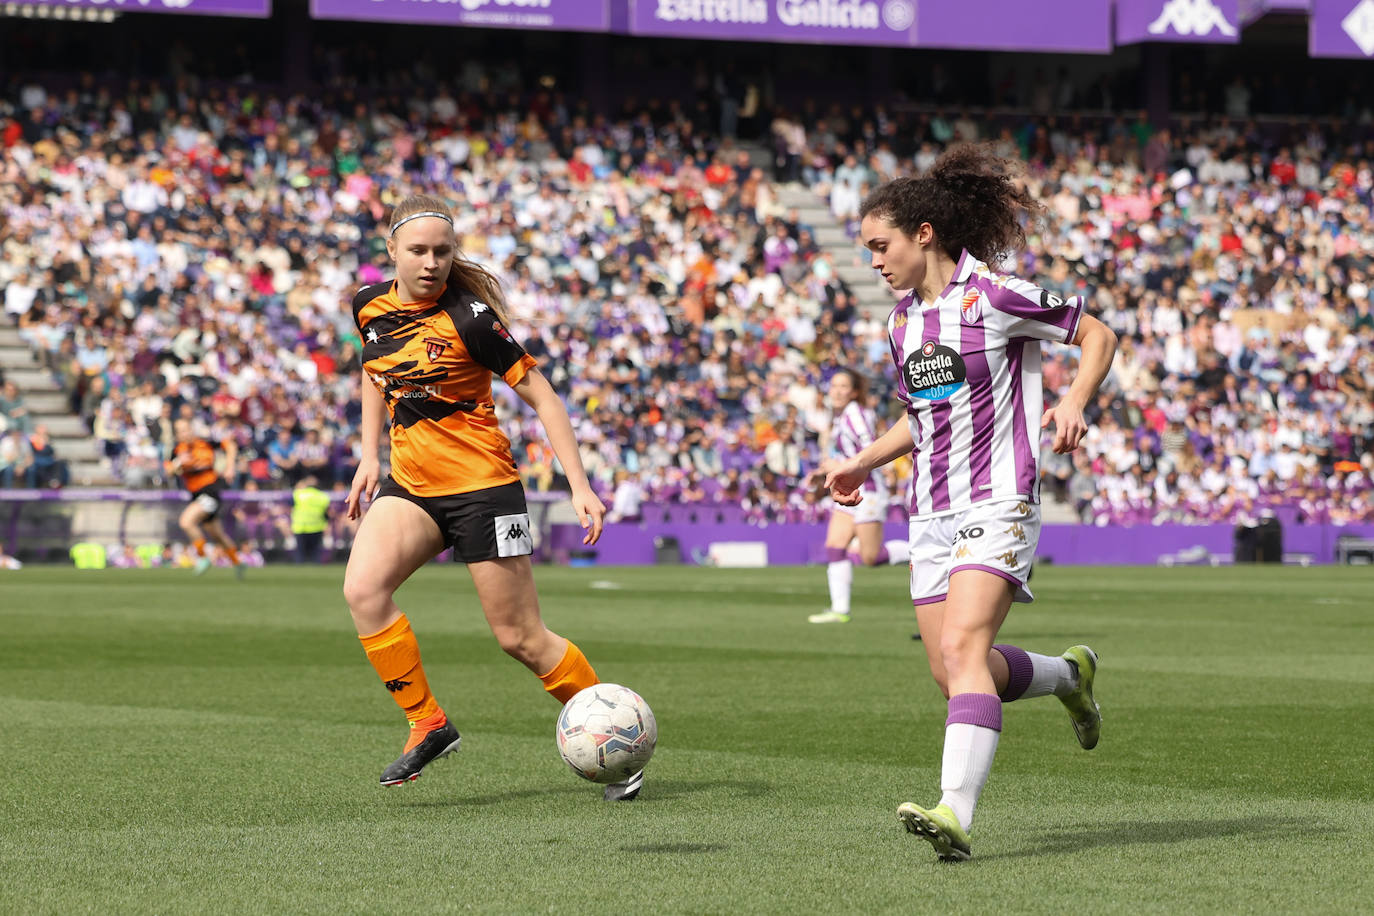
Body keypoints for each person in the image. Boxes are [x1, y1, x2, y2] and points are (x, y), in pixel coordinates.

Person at [826, 145, 1118, 861]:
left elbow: (1098, 334)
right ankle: (1066, 675)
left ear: (924, 232)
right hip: (930, 510)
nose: (874, 262)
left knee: (962, 650)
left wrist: (1075, 398)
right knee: (956, 669)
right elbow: (921, 416)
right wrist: (861, 461)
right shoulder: (901, 325)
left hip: (999, 497)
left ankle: (954, 814)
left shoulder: (994, 296)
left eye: (880, 246)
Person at [342, 195, 639, 800]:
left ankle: (618, 742)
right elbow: (376, 371)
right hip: (413, 486)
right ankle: (428, 722)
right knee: (363, 591)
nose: (431, 263)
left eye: (443, 252)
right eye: (418, 251)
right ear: (391, 251)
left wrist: (579, 485)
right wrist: (368, 454)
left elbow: (545, 398)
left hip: (482, 489)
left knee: (520, 639)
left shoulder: (472, 320)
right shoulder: (367, 306)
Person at [806, 368, 907, 624]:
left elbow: (869, 447)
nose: (837, 391)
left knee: (870, 557)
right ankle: (840, 610)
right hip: (848, 491)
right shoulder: (840, 417)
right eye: (834, 386)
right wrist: (823, 471)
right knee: (835, 546)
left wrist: (842, 465)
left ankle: (924, 551)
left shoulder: (855, 414)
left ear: (853, 392)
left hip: (868, 490)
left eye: (843, 387)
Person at [167, 418, 244, 577]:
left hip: (210, 491)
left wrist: (230, 467)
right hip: (196, 495)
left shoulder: (206, 443)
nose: (184, 433)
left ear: (192, 429)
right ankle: (238, 563)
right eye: (180, 431)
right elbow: (168, 471)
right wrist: (178, 465)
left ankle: (203, 557)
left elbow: (230, 445)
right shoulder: (177, 451)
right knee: (217, 535)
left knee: (186, 522)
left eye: (186, 429)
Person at [291, 474, 332, 563]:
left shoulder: (299, 494)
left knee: (300, 553)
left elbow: (291, 505)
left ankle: (298, 572)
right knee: (316, 553)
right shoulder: (323, 496)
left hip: (300, 527)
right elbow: (327, 514)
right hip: (317, 527)